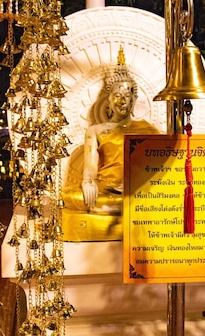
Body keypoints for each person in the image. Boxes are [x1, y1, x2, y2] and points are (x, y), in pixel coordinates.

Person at [62, 47, 158, 240]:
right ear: (108, 99)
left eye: (127, 96)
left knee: (156, 199)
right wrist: (88, 182)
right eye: (117, 96)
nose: (122, 101)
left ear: (134, 99)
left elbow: (158, 168)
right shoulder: (96, 131)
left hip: (138, 191)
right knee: (71, 197)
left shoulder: (148, 130)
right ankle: (123, 208)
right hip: (106, 189)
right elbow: (90, 166)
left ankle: (127, 207)